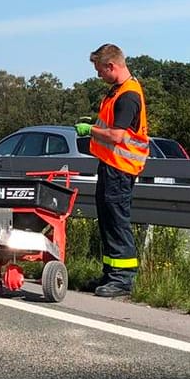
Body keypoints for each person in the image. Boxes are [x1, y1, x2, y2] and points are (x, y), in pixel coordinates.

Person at [76, 44, 148, 297]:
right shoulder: (117, 91)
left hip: (121, 169)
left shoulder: (128, 95)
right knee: (108, 222)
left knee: (117, 222)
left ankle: (122, 280)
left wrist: (90, 130)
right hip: (110, 166)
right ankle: (110, 274)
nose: (98, 76)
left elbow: (117, 136)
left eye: (100, 70)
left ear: (111, 66)